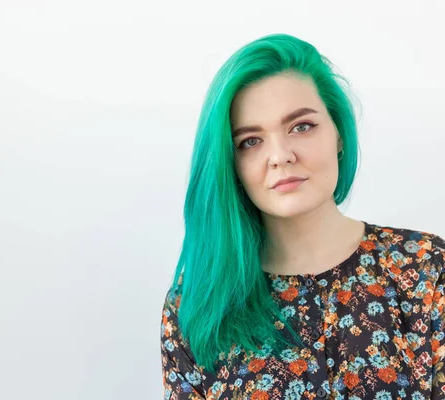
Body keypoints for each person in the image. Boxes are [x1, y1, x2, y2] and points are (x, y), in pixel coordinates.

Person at [160, 33, 445, 400]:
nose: (280, 155)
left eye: (301, 127)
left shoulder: (425, 269)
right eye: (250, 141)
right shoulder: (197, 303)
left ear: (339, 134)